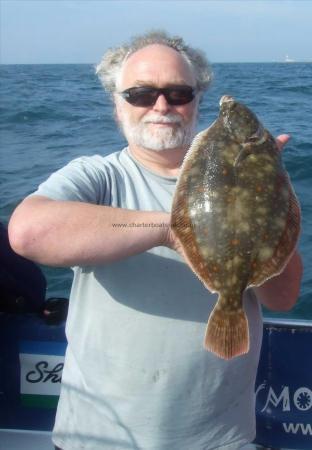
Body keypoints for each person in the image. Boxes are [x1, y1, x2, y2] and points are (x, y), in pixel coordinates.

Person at [8, 31, 302, 450]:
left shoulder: (257, 180)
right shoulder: (98, 177)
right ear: (117, 104)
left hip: (222, 440)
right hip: (96, 440)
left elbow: (284, 296)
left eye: (178, 92)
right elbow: (28, 232)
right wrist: (171, 228)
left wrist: (272, 193)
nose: (161, 105)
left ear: (197, 100)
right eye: (141, 94)